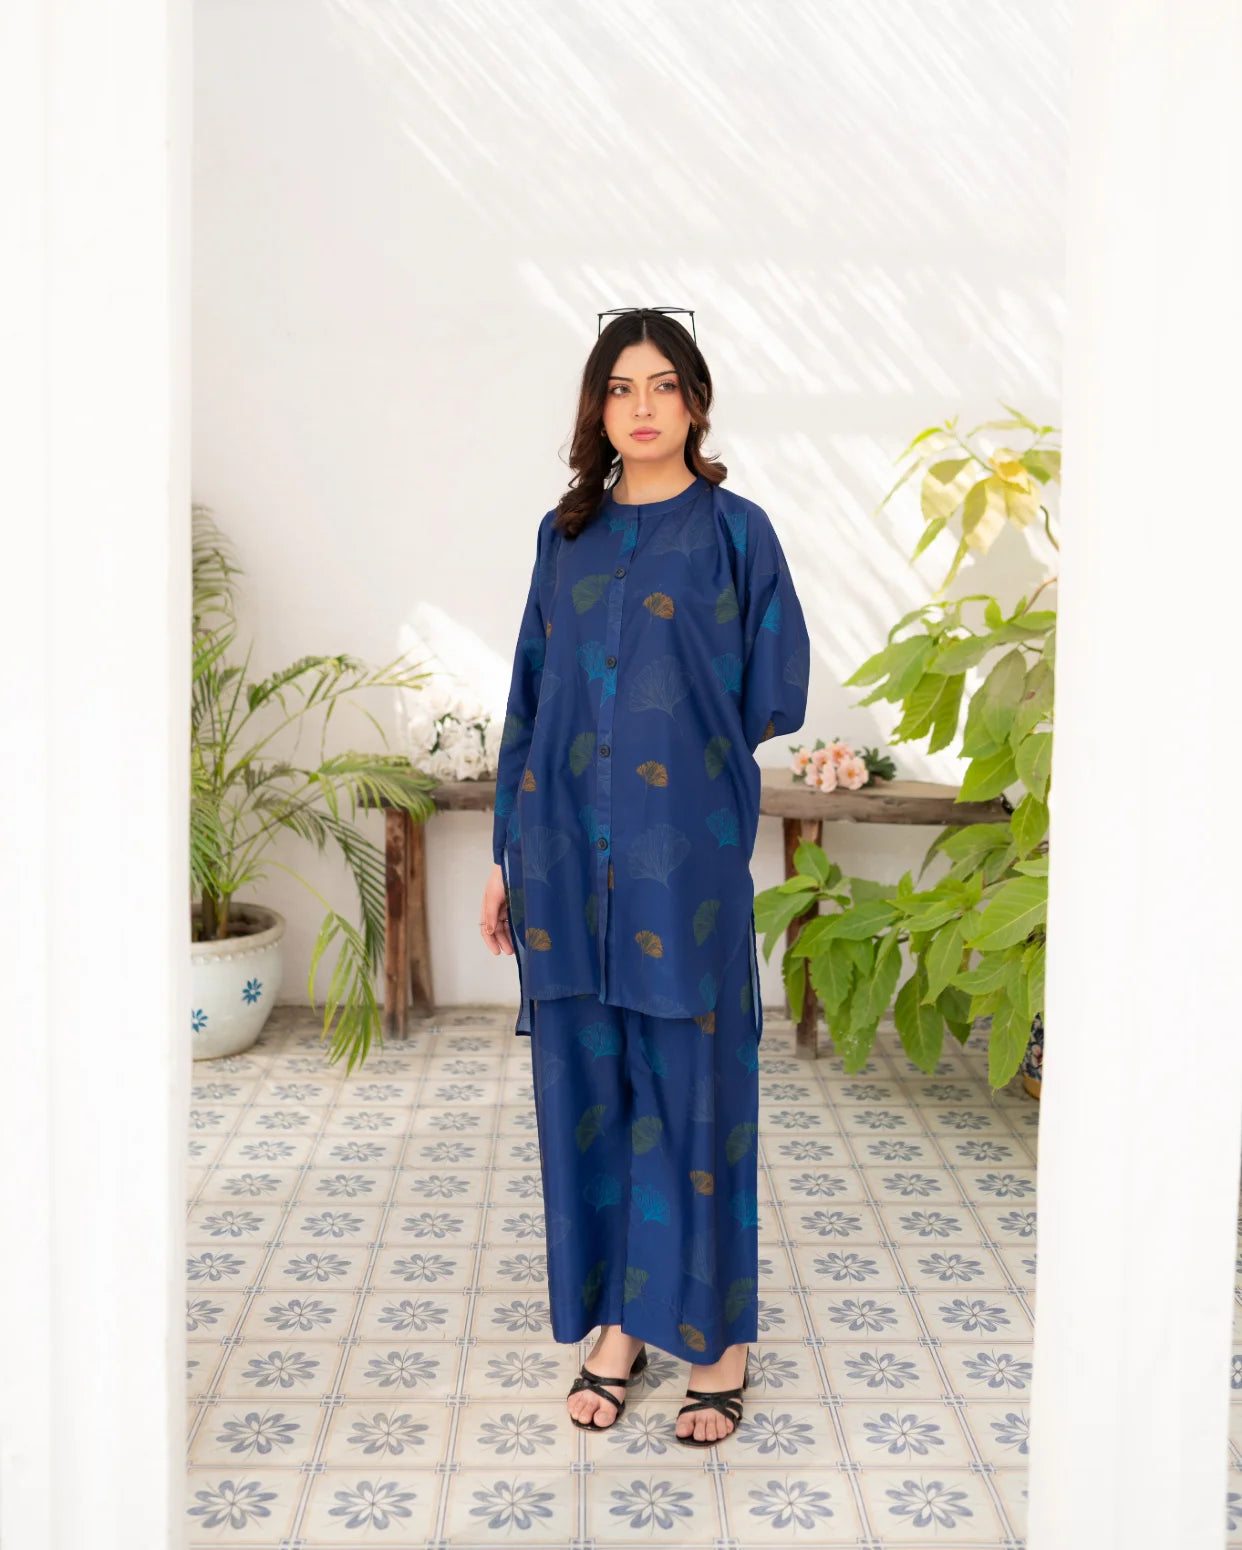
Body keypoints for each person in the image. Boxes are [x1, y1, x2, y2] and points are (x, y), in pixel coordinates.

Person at [479, 308, 810, 1445]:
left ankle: (719, 1343)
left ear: (698, 400)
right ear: (598, 410)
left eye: (664, 384)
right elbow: (530, 699)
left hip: (687, 878)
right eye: (622, 388)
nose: (645, 404)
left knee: (695, 1090)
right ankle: (620, 1324)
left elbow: (774, 685)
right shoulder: (560, 537)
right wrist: (501, 857)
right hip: (563, 860)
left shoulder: (737, 533)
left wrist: (682, 779)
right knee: (593, 1092)